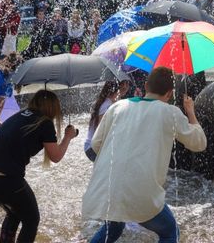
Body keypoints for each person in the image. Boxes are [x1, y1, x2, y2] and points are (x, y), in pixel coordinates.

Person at [82, 67, 207, 243]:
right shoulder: (170, 112)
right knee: (170, 232)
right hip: (141, 194)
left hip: (109, 189)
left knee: (114, 226)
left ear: (146, 85)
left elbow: (95, 146)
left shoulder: (117, 106)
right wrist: (190, 111)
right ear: (170, 93)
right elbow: (199, 143)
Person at [0, 89, 78, 243]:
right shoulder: (44, 123)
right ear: (52, 108)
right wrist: (68, 136)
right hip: (6, 180)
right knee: (31, 220)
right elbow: (56, 156)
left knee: (14, 213)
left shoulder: (20, 115)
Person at [84, 80, 130, 161]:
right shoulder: (106, 106)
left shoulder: (109, 102)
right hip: (92, 149)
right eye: (124, 85)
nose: (126, 88)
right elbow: (101, 131)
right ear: (117, 90)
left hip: (94, 146)